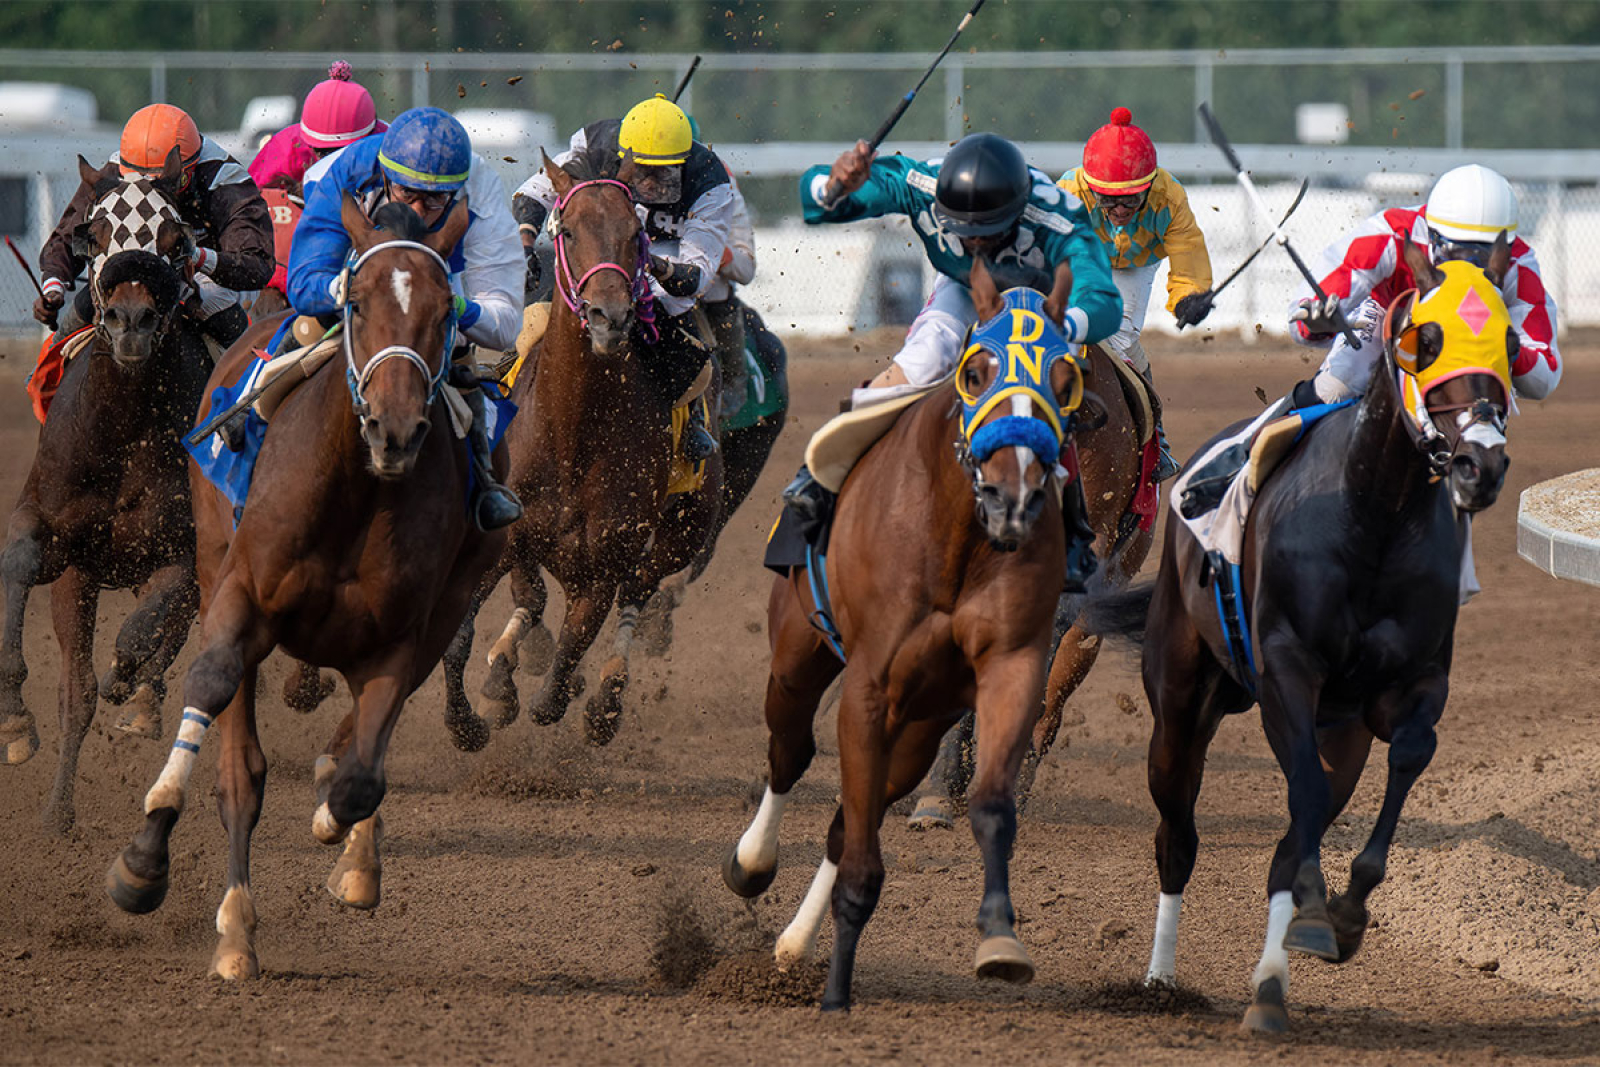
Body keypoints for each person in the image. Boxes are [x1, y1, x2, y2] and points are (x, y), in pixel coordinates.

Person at [780, 131, 1122, 589]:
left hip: (1038, 305)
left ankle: (1073, 533)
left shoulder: (1058, 217)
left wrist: (1060, 327)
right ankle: (817, 479)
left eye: (989, 231)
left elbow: (1103, 301)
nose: (974, 241)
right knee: (923, 360)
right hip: (966, 289)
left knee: (1048, 391)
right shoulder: (919, 183)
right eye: (962, 230)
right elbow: (817, 197)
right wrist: (834, 184)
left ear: (1018, 211)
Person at [1181, 163, 1562, 513]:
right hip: (1387, 318)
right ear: (1430, 231)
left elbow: (1543, 376)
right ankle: (1234, 460)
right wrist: (1321, 320)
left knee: (1479, 423)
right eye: (1453, 250)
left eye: (1481, 254)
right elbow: (1301, 316)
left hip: (1469, 350)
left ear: (1506, 246)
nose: (1466, 266)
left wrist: (1502, 346)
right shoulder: (1389, 234)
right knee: (1335, 386)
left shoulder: (1520, 263)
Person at [288, 106, 524, 531]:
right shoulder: (343, 175)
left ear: (456, 190)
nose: (418, 210)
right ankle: (245, 432)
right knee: (304, 329)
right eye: (406, 194)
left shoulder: (482, 196)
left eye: (434, 200)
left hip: (436, 300)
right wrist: (345, 289)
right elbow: (303, 283)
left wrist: (456, 307)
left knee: (462, 357)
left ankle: (485, 482)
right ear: (384, 178)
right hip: (355, 291)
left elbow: (505, 325)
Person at [512, 93, 738, 461]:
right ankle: (502, 392)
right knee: (529, 327)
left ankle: (691, 418)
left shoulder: (710, 182)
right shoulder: (595, 143)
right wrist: (525, 244)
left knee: (690, 356)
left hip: (666, 260)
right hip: (600, 252)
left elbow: (695, 276)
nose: (650, 184)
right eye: (642, 170)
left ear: (683, 162)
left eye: (664, 172)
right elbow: (533, 192)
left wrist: (650, 264)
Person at [33, 103, 273, 350]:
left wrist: (198, 256)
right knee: (81, 310)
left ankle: (249, 371)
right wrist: (54, 285)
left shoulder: (226, 179)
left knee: (216, 308)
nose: (147, 189)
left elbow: (256, 265)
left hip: (212, 275)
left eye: (159, 181)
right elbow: (69, 235)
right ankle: (44, 372)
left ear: (187, 170)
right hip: (140, 267)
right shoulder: (114, 171)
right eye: (138, 178)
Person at [1058, 107, 1214, 480]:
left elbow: (1187, 248)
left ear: (1149, 186)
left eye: (1130, 200)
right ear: (1090, 188)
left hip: (1137, 264)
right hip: (1084, 258)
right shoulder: (1068, 193)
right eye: (1107, 200)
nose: (1119, 210)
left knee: (1117, 336)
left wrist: (1189, 295)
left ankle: (1156, 438)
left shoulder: (1169, 196)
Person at [248, 60, 386, 198]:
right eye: (323, 152)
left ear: (370, 137)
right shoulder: (284, 150)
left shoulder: (387, 146)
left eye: (341, 151)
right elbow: (248, 200)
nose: (330, 160)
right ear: (306, 140)